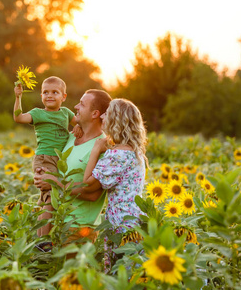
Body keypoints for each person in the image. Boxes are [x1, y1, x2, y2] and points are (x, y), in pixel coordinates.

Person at [33, 89, 112, 245]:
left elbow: (93, 195)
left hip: (78, 229)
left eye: (82, 104)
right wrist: (42, 174)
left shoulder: (103, 147)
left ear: (95, 114)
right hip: (56, 224)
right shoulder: (70, 137)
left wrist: (54, 182)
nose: (76, 106)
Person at [81, 98, 148, 272]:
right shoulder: (135, 151)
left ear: (116, 120)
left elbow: (87, 184)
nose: (102, 116)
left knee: (119, 276)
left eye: (107, 113)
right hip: (134, 221)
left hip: (121, 225)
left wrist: (96, 149)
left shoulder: (118, 155)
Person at [14, 76, 81, 237]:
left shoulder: (66, 113)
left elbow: (81, 121)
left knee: (49, 197)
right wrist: (18, 97)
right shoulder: (38, 113)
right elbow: (19, 117)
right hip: (45, 158)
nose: (49, 95)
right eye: (45, 92)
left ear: (63, 97)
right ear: (41, 96)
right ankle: (43, 240)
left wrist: (79, 125)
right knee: (51, 194)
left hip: (61, 159)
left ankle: (41, 231)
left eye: (55, 92)